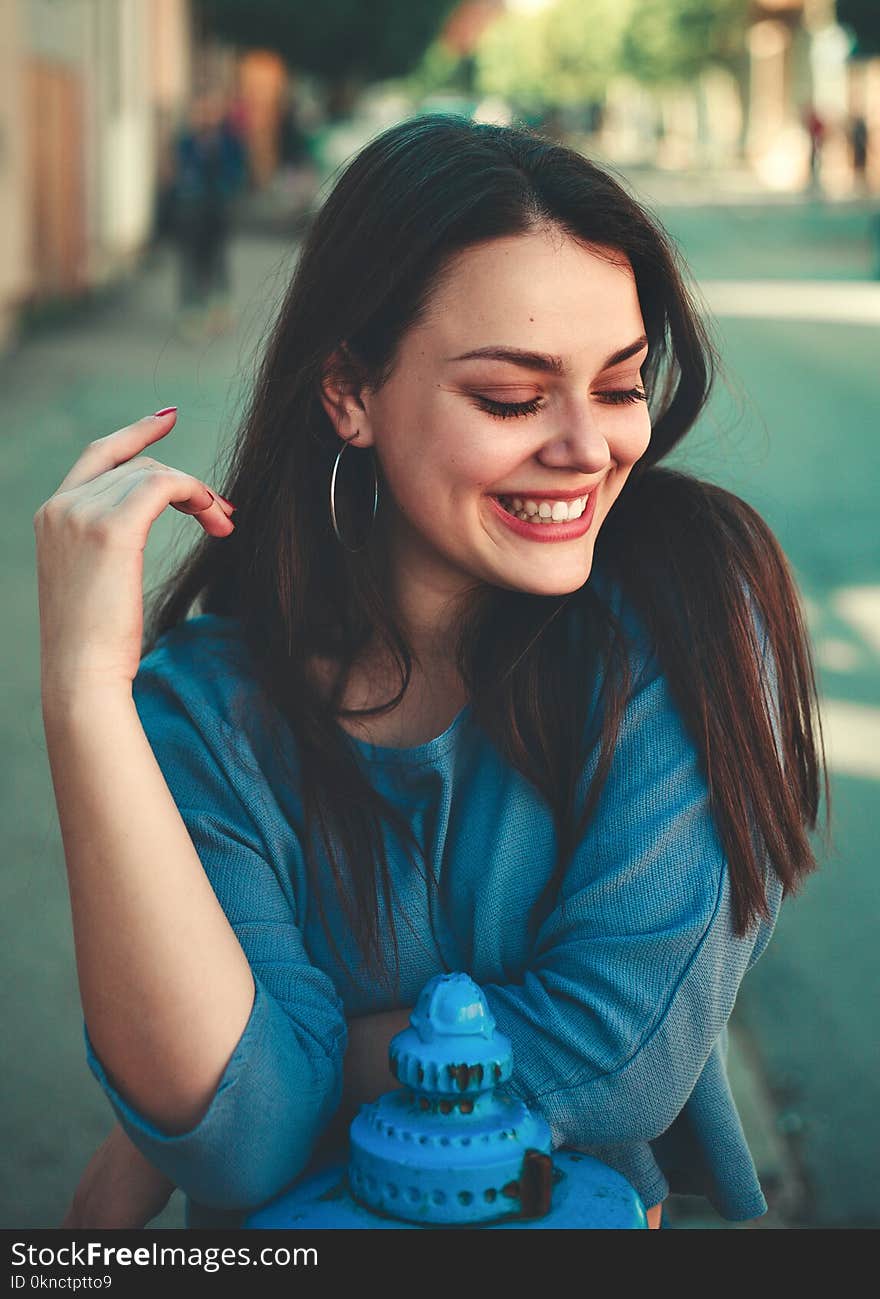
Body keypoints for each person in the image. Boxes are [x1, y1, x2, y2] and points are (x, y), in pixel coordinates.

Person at [35, 116, 828, 1231]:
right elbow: (243, 1139)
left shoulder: (695, 608)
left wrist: (283, 1070)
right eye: (511, 398)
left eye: (619, 384)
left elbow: (619, 1056)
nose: (588, 446)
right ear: (349, 393)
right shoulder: (205, 709)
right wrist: (79, 690)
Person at [170, 89, 246, 340]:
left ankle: (219, 306)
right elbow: (181, 174)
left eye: (209, 111)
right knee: (190, 260)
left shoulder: (227, 143)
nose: (204, 117)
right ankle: (192, 310)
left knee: (217, 257)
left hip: (218, 208)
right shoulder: (186, 143)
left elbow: (237, 172)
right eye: (200, 111)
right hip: (192, 209)